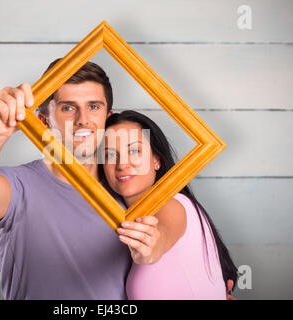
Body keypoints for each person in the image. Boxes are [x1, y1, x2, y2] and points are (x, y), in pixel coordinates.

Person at [0, 59, 132, 299]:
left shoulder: (128, 189)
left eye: (94, 107)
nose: (83, 119)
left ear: (108, 118)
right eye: (67, 108)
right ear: (44, 121)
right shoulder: (19, 187)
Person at [99, 110, 238, 299]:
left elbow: (161, 237)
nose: (122, 164)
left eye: (134, 151)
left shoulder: (172, 204)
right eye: (109, 155)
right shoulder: (116, 217)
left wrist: (150, 249)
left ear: (156, 159)